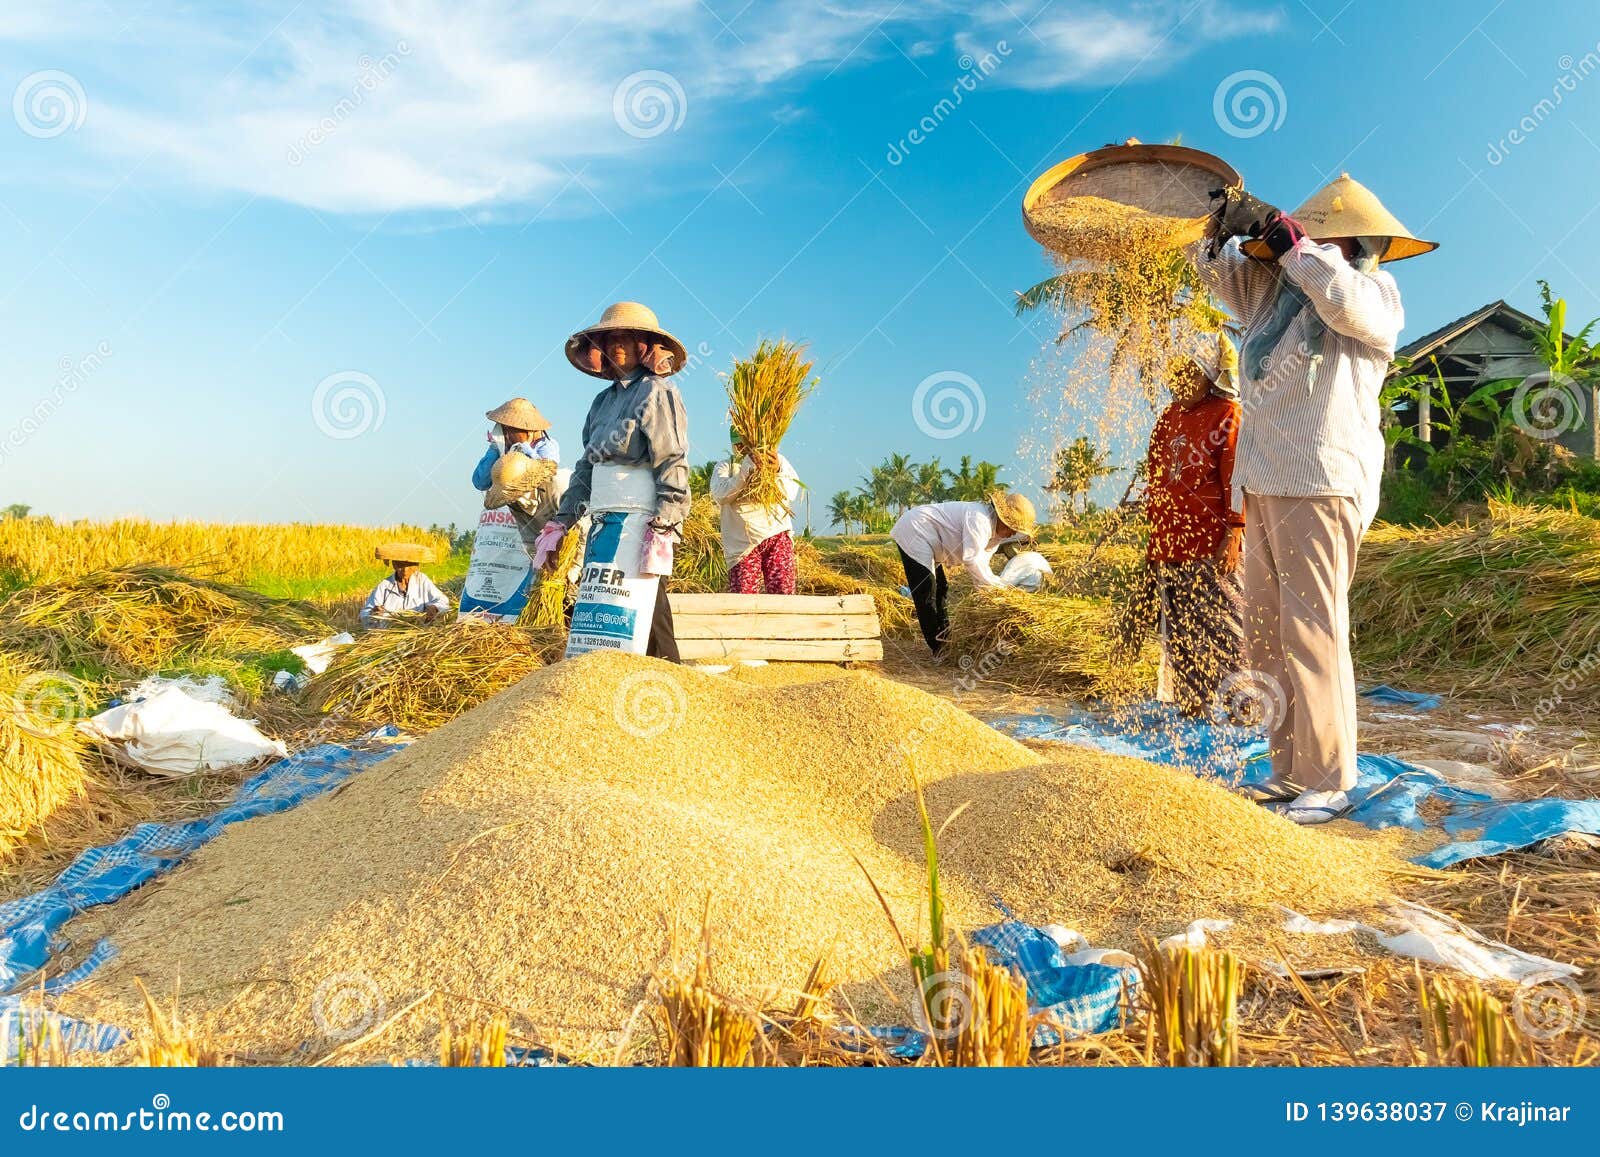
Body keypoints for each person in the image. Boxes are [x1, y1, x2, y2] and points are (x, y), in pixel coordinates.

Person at [1192, 172, 1436, 824]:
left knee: (1314, 631)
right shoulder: (1269, 296)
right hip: (1265, 479)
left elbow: (1338, 297)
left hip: (1323, 480)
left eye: (1318, 235)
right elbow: (1213, 273)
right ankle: (1287, 769)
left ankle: (1329, 777)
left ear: (1346, 240)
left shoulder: (1375, 293)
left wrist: (1284, 234)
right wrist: (1213, 227)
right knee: (1267, 637)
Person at [539, 301, 689, 661]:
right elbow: (587, 467)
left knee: (643, 598)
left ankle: (669, 674)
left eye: (626, 336)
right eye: (609, 338)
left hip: (642, 516)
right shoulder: (601, 402)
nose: (617, 344)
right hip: (605, 518)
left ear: (644, 345)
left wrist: (667, 520)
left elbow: (671, 457)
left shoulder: (656, 392)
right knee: (609, 600)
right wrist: (560, 522)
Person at [1139, 331, 1246, 718]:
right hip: (1171, 541)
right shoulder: (1168, 417)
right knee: (1181, 628)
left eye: (1188, 374)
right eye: (1175, 374)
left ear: (1208, 375)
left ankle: (1240, 703)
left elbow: (1236, 475)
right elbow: (1155, 475)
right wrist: (1156, 531)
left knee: (1223, 624)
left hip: (1211, 539)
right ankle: (1194, 701)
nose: (1179, 382)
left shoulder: (1228, 414)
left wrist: (1235, 531)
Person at [891, 492, 1037, 656]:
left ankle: (945, 639)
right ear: (1002, 518)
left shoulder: (995, 536)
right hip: (915, 529)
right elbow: (972, 560)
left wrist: (994, 597)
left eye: (1016, 530)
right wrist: (999, 589)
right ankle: (939, 649)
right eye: (1012, 528)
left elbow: (982, 569)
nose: (1012, 533)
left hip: (933, 540)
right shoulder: (979, 519)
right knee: (926, 592)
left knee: (942, 588)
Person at [710, 430, 802, 595]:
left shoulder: (776, 460)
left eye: (745, 444)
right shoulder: (726, 466)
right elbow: (721, 495)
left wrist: (777, 470)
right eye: (738, 445)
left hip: (777, 535)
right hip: (743, 544)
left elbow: (791, 491)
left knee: (783, 594)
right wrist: (746, 470)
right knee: (743, 598)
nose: (742, 449)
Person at [471, 397, 560, 493]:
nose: (504, 433)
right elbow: (480, 482)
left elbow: (546, 476)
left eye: (507, 428)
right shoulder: (503, 448)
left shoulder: (547, 446)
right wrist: (495, 448)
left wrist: (524, 447)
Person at [359, 544, 450, 627]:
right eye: (401, 565)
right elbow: (364, 614)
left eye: (410, 565)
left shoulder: (422, 581)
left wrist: (434, 607)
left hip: (416, 633)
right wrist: (373, 613)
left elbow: (443, 601)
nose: (405, 570)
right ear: (394, 565)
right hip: (389, 636)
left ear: (416, 566)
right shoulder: (385, 586)